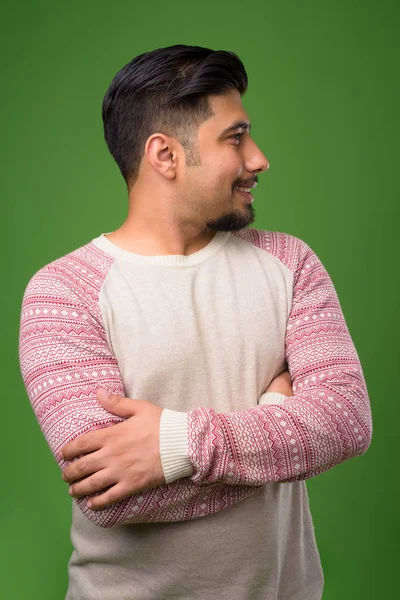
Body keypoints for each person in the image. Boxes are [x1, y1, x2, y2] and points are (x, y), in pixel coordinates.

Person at [18, 44, 372, 600]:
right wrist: (277, 418)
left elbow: (344, 422)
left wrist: (177, 445)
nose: (258, 158)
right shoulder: (62, 292)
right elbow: (115, 495)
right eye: (236, 137)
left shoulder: (291, 263)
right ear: (166, 155)